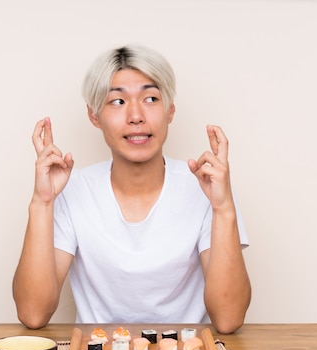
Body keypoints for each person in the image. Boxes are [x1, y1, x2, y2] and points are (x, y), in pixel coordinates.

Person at [13, 45, 251, 334]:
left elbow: (228, 319)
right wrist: (42, 202)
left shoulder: (207, 187)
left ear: (170, 111)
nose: (136, 116)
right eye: (117, 102)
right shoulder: (73, 189)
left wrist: (223, 209)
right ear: (94, 116)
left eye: (151, 98)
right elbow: (33, 313)